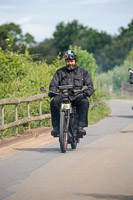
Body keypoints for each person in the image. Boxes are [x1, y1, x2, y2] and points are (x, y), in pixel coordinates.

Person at [48, 50, 94, 137]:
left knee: (84, 102)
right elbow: (53, 84)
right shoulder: (59, 72)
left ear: (75, 61)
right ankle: (57, 128)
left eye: (71, 61)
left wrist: (88, 92)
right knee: (54, 102)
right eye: (68, 61)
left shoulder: (83, 72)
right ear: (66, 62)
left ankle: (81, 127)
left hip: (77, 96)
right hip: (63, 96)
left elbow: (90, 85)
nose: (70, 63)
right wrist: (52, 91)